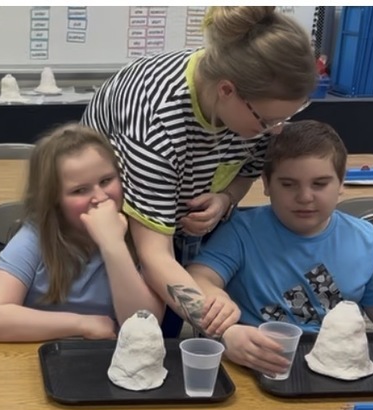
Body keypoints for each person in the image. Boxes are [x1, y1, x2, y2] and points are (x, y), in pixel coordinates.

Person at [81, 6, 318, 337]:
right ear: (226, 91)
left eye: (286, 117)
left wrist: (225, 199)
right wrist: (224, 331)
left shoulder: (252, 103)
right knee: (143, 334)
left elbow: (247, 168)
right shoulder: (156, 124)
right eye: (267, 121)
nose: (276, 131)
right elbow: (153, 256)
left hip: (174, 230)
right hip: (112, 236)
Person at [187, 120, 373, 377]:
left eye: (320, 184)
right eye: (288, 184)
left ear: (342, 183)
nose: (305, 197)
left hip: (338, 369)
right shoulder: (241, 231)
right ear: (265, 183)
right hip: (259, 362)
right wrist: (214, 296)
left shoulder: (362, 239)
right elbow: (199, 277)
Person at [0, 123, 186, 343]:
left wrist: (113, 246)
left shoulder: (140, 234)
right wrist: (83, 324)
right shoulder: (35, 237)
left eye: (106, 181)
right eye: (80, 190)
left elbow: (144, 326)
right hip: (41, 357)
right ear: (54, 199)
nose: (100, 197)